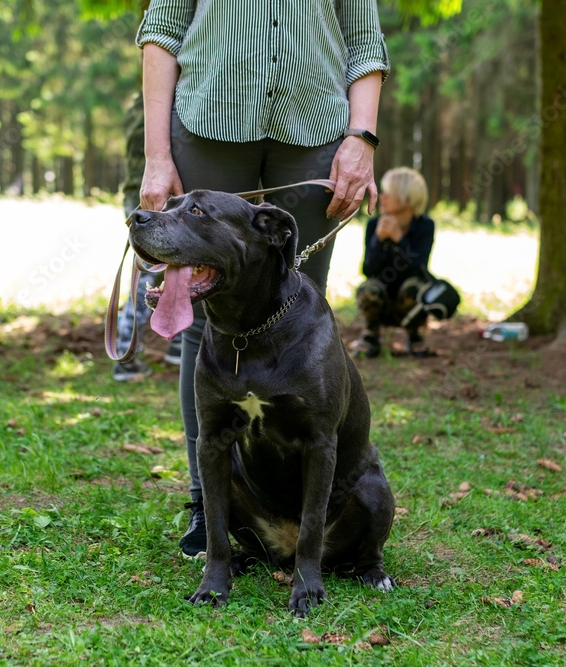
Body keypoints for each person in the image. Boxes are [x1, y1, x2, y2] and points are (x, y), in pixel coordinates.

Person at [135, 1, 390, 559]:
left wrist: (361, 137)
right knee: (205, 319)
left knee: (302, 315)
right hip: (209, 120)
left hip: (316, 129)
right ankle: (211, 505)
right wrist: (158, 156)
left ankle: (308, 509)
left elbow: (364, 41)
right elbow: (162, 30)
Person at [112, 91, 181, 382]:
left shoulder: (139, 103)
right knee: (147, 275)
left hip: (143, 194)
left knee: (173, 269)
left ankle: (177, 345)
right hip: (155, 196)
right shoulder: (160, 102)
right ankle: (126, 355)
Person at [350, 167, 436, 359]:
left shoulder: (425, 226)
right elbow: (368, 270)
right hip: (382, 297)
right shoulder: (374, 225)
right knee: (368, 289)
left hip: (408, 298)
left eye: (388, 192)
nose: (382, 197)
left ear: (406, 198)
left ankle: (414, 335)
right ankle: (371, 334)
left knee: (416, 287)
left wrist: (399, 240)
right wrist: (378, 242)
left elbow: (419, 268)